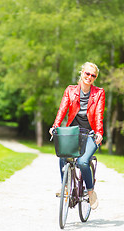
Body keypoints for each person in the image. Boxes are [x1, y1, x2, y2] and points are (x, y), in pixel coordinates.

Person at [49, 62, 105, 210]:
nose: (89, 77)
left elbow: (99, 115)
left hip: (91, 134)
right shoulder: (70, 90)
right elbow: (62, 109)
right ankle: (65, 187)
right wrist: (55, 126)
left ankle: (91, 191)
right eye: (87, 73)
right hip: (73, 132)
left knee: (82, 162)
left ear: (95, 78)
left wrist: (99, 132)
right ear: (81, 73)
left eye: (93, 75)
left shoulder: (99, 93)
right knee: (63, 155)